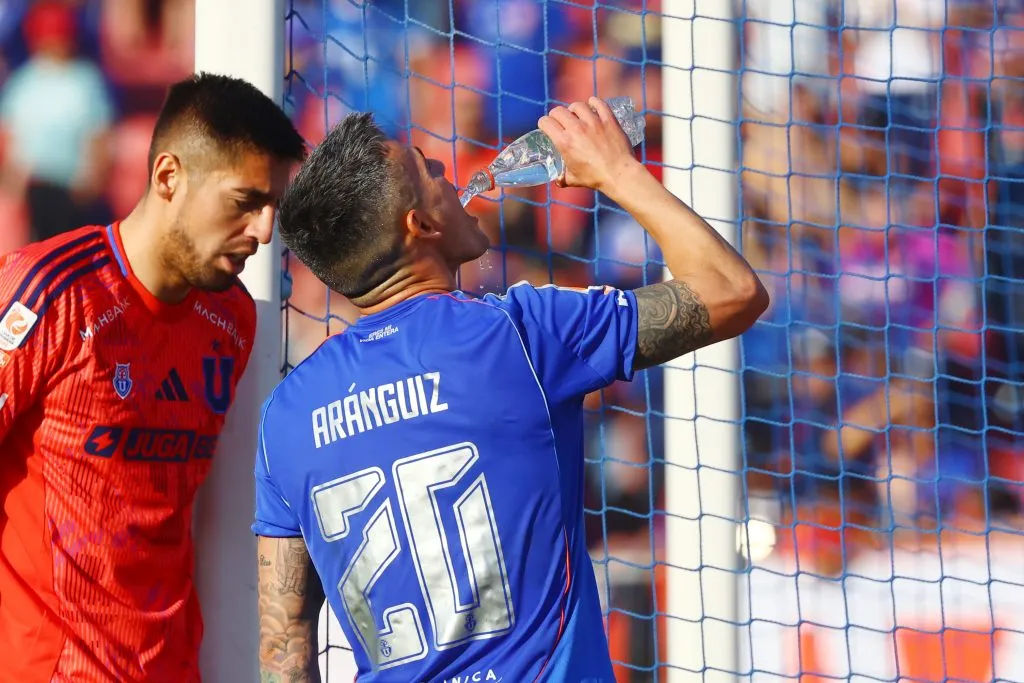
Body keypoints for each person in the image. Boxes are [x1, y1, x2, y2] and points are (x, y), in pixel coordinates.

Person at [255, 98, 768, 682]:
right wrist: (617, 171)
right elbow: (731, 290)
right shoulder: (520, 335)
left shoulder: (286, 416)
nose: (451, 174)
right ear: (419, 226)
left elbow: (282, 644)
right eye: (430, 170)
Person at [0, 72, 306, 682]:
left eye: (274, 207)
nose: (265, 232)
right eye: (246, 202)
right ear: (168, 177)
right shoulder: (49, 295)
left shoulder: (234, 319)